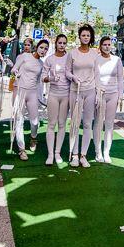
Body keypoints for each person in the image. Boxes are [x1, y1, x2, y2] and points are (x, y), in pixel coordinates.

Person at [65, 24, 98, 168]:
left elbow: (97, 74)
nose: (85, 37)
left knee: (87, 124)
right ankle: (74, 155)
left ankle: (83, 155)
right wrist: (73, 77)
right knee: (75, 123)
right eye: (83, 35)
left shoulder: (94, 54)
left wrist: (98, 92)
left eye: (88, 35)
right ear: (79, 37)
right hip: (75, 91)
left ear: (91, 38)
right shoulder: (72, 53)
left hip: (90, 91)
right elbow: (67, 71)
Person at [11, 38, 48, 161]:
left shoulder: (41, 64)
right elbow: (14, 68)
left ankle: (33, 138)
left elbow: (39, 82)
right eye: (41, 47)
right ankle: (21, 149)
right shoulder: (24, 56)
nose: (43, 50)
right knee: (19, 120)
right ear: (36, 47)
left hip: (32, 94)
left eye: (46, 49)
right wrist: (15, 72)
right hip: (20, 91)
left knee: (35, 122)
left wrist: (41, 98)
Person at [94, 37, 124, 164]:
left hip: (113, 94)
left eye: (109, 44)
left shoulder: (117, 60)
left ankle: (106, 152)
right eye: (104, 44)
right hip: (100, 94)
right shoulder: (96, 59)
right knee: (98, 123)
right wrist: (97, 91)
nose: (107, 47)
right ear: (100, 46)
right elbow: (94, 77)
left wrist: (120, 96)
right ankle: (98, 151)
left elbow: (120, 79)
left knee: (109, 124)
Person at [43, 34, 70, 165]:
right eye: (60, 43)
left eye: (64, 43)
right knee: (51, 124)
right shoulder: (50, 59)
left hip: (66, 95)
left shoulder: (69, 58)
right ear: (56, 43)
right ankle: (50, 154)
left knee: (62, 124)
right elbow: (43, 77)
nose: (62, 45)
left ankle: (57, 152)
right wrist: (51, 78)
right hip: (53, 94)